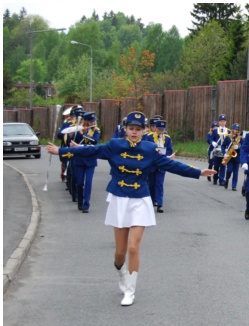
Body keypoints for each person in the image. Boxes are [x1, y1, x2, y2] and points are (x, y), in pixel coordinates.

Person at [46, 111, 217, 306]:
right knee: (120, 253)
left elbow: (171, 165)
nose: (134, 132)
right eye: (131, 129)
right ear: (125, 129)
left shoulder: (150, 149)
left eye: (138, 129)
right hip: (119, 199)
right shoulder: (114, 145)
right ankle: (121, 273)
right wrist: (60, 151)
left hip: (140, 200)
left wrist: (198, 172)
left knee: (133, 247)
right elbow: (91, 151)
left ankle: (130, 290)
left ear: (144, 131)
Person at [145, 119, 176, 213]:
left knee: (159, 183)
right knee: (152, 184)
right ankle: (151, 202)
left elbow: (170, 149)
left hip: (162, 164)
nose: (161, 131)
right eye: (159, 129)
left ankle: (159, 204)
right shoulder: (149, 137)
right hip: (152, 164)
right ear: (155, 128)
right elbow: (146, 149)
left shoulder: (167, 138)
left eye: (162, 130)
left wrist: (166, 155)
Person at [72, 111, 101, 213]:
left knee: (88, 182)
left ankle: (86, 204)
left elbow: (95, 141)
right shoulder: (79, 130)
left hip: (90, 159)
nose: (93, 123)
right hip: (80, 159)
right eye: (91, 121)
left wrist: (84, 135)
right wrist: (79, 133)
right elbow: (73, 141)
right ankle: (80, 201)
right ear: (86, 122)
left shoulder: (96, 131)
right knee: (80, 183)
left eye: (94, 121)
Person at [210, 115, 232, 186]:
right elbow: (211, 138)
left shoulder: (229, 131)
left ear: (226, 122)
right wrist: (212, 142)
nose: (222, 123)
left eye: (224, 121)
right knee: (216, 166)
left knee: (223, 165)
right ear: (219, 122)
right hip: (217, 150)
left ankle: (221, 180)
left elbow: (230, 141)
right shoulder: (215, 130)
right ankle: (215, 178)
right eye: (221, 121)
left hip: (225, 150)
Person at [224, 123, 242, 191]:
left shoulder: (240, 138)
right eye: (235, 129)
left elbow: (243, 147)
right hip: (230, 158)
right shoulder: (228, 137)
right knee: (229, 170)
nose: (236, 131)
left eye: (237, 130)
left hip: (237, 158)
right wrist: (224, 152)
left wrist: (238, 147)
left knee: (235, 173)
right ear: (232, 130)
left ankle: (234, 186)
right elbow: (223, 146)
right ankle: (226, 180)